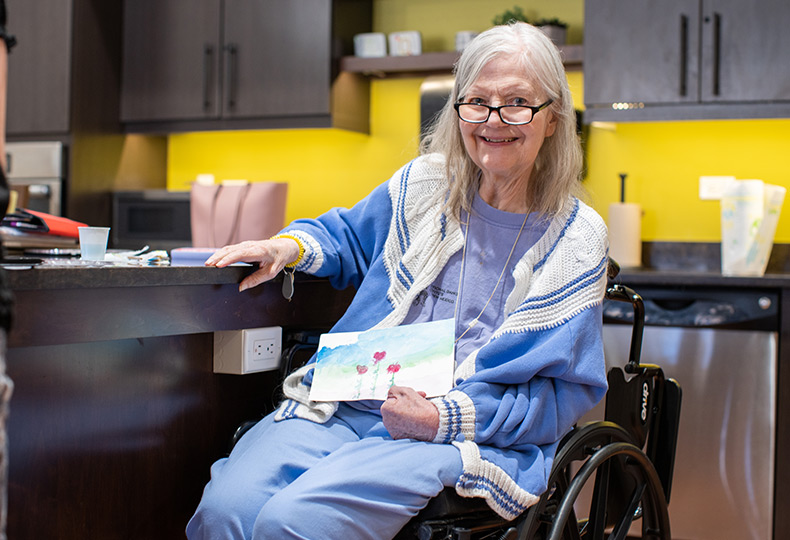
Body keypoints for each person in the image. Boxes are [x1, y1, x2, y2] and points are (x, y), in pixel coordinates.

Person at [188, 21, 609, 540]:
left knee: (292, 523)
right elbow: (344, 233)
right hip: (345, 403)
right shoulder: (424, 184)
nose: (493, 119)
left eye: (517, 102)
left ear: (553, 119)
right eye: (476, 101)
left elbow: (558, 396)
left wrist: (442, 419)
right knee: (223, 512)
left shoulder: (577, 237)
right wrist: (284, 247)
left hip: (456, 435)